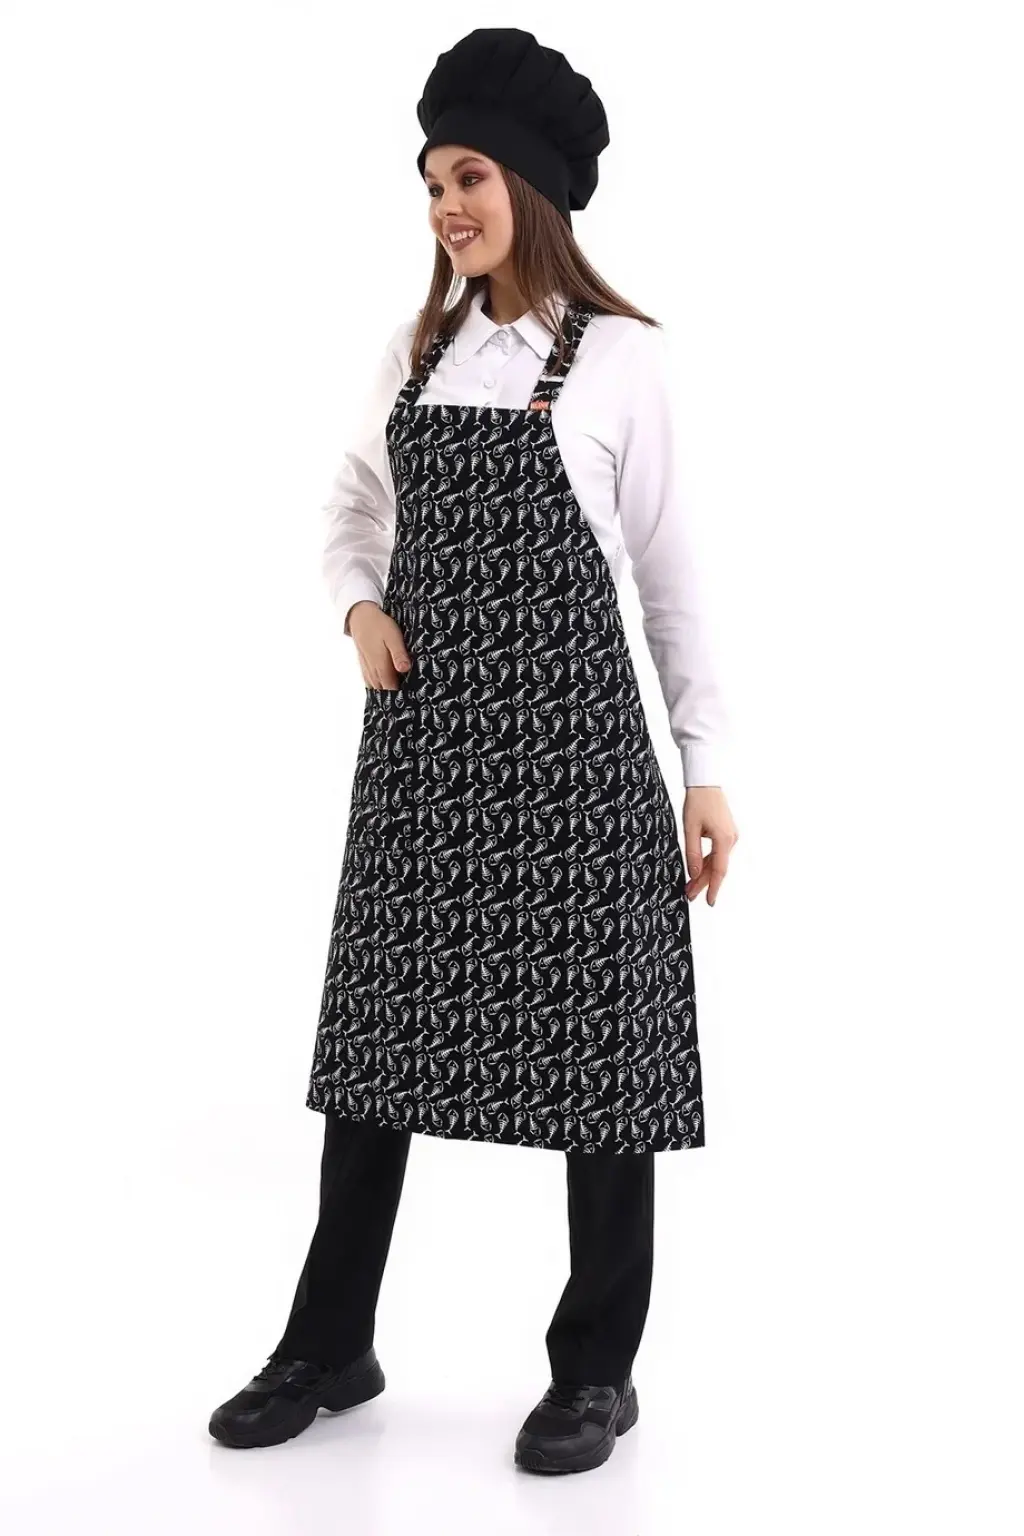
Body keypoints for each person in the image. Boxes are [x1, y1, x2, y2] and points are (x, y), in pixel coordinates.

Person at [209, 26, 738, 1475]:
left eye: (470, 177)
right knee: (373, 1057)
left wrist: (704, 765)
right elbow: (349, 509)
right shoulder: (418, 352)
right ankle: (330, 1343)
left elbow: (673, 579)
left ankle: (596, 1372)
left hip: (576, 767)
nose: (446, 205)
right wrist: (359, 605)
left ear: (533, 187)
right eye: (433, 180)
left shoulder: (622, 361)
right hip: (425, 761)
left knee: (605, 1063)